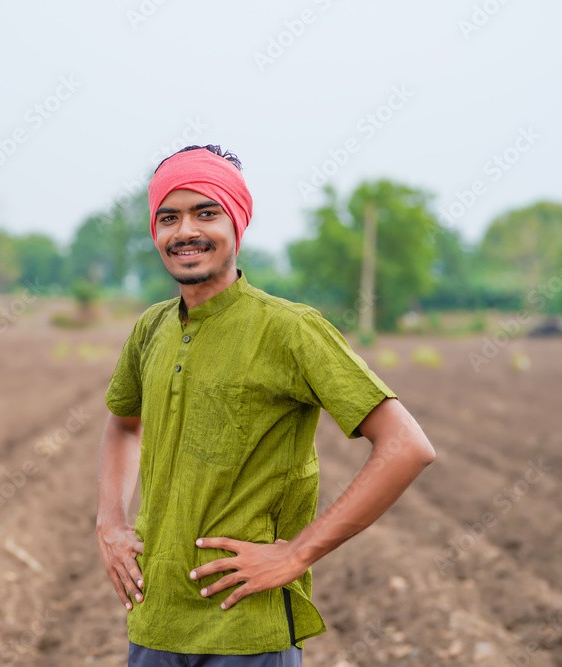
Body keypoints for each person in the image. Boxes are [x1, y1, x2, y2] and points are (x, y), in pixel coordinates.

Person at [95, 145, 436, 666]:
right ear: (155, 232)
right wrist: (110, 522)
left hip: (247, 633)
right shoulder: (152, 328)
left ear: (237, 223)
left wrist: (297, 554)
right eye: (169, 217)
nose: (185, 231)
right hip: (154, 623)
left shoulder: (289, 329)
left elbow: (406, 445)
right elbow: (123, 426)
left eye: (205, 213)